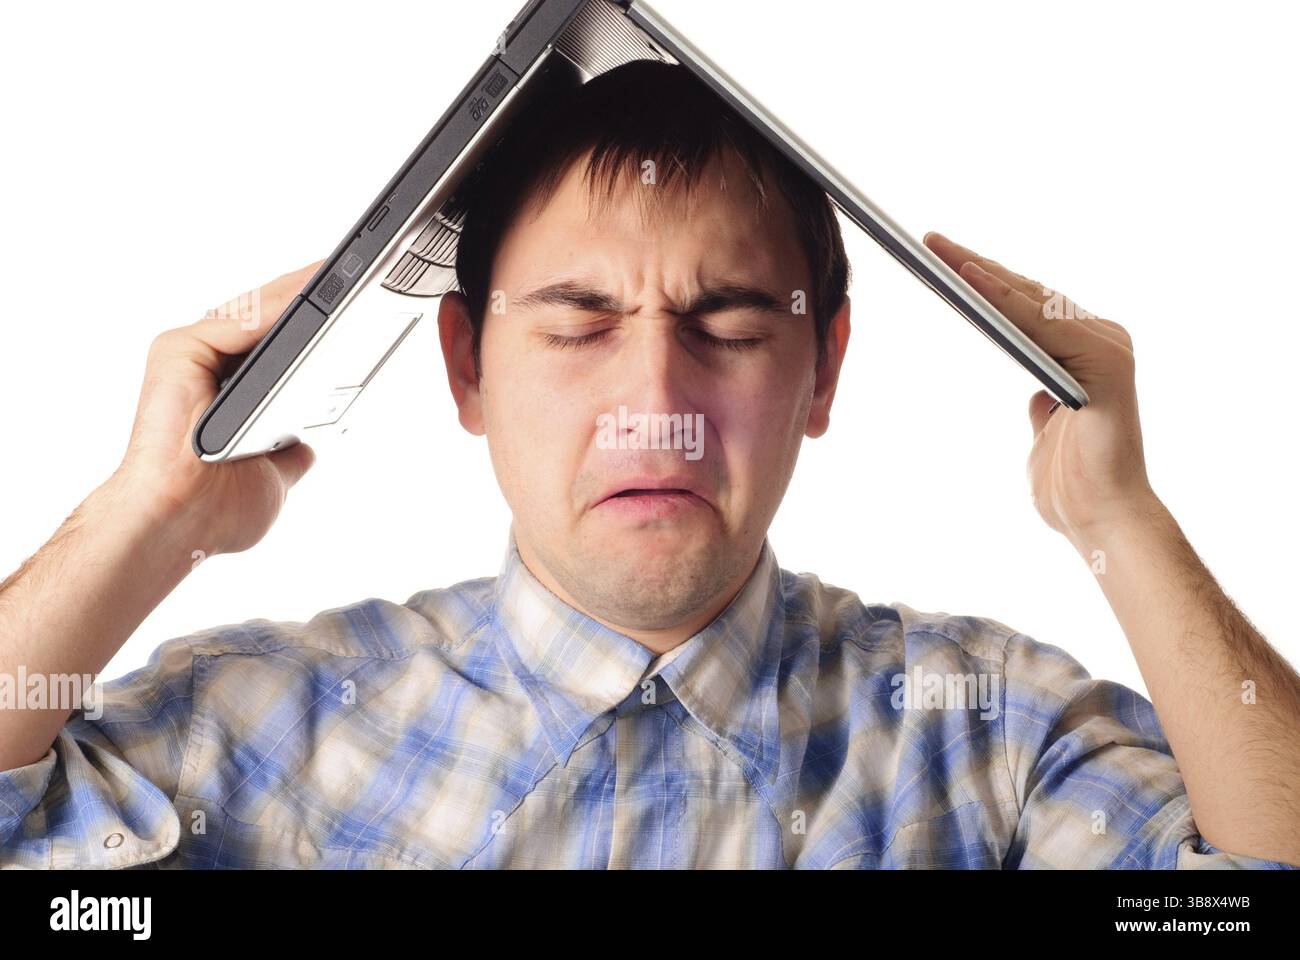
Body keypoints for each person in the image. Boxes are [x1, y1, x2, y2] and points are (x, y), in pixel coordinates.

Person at [1, 60, 1296, 869]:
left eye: (729, 326)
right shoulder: (264, 720)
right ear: (466, 367)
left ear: (825, 371)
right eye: (577, 323)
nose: (656, 404)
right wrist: (149, 516)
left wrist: (1117, 515)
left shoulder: (995, 731)